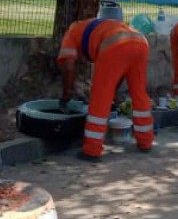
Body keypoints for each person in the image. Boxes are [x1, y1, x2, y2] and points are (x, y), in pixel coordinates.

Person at [57, 18, 154, 161]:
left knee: (100, 98)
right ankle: (145, 141)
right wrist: (113, 91)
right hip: (141, 42)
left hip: (116, 46)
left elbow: (68, 66)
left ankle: (92, 150)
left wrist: (67, 93)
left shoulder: (71, 34)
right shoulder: (96, 26)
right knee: (139, 94)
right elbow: (119, 73)